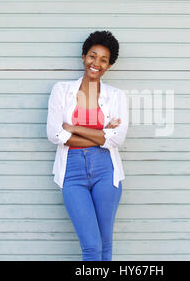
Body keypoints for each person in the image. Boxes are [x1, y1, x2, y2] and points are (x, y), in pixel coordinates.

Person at [46, 30, 129, 261]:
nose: (97, 63)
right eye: (93, 56)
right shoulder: (61, 90)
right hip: (72, 173)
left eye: (104, 60)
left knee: (105, 245)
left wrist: (73, 128)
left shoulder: (116, 96)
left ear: (109, 66)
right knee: (91, 246)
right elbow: (54, 133)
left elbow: (115, 139)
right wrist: (100, 134)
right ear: (84, 57)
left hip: (106, 172)